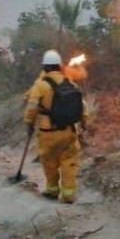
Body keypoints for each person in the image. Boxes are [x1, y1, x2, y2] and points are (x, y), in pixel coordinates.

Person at [23, 50, 86, 204]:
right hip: (68, 131)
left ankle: (52, 190)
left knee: (49, 162)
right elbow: (81, 105)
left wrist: (29, 123)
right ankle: (68, 194)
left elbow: (31, 106)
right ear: (59, 66)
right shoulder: (69, 82)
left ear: (45, 67)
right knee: (69, 161)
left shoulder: (40, 85)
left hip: (48, 133)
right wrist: (84, 122)